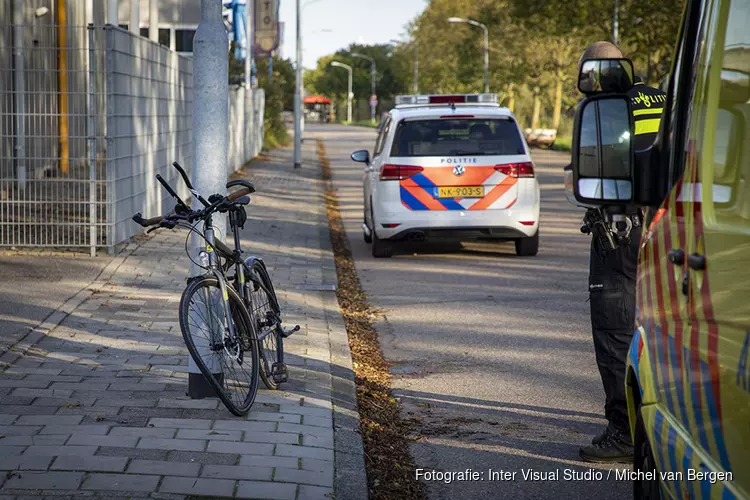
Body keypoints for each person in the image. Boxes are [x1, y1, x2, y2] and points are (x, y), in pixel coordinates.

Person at [575, 41, 666, 463]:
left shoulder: (606, 110)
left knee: (614, 327)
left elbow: (592, 175)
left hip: (622, 232)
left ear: (595, 73)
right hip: (672, 231)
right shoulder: (664, 99)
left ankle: (624, 431)